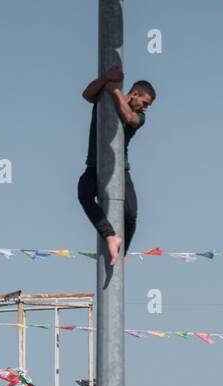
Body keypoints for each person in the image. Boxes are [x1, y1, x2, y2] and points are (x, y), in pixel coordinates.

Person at [79, 67, 155, 265]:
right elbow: (86, 94)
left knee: (130, 214)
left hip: (120, 168)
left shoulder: (140, 116)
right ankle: (110, 236)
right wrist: (106, 79)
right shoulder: (102, 97)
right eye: (145, 103)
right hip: (94, 164)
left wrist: (113, 90)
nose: (146, 108)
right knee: (83, 194)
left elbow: (129, 118)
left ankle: (122, 252)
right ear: (135, 94)